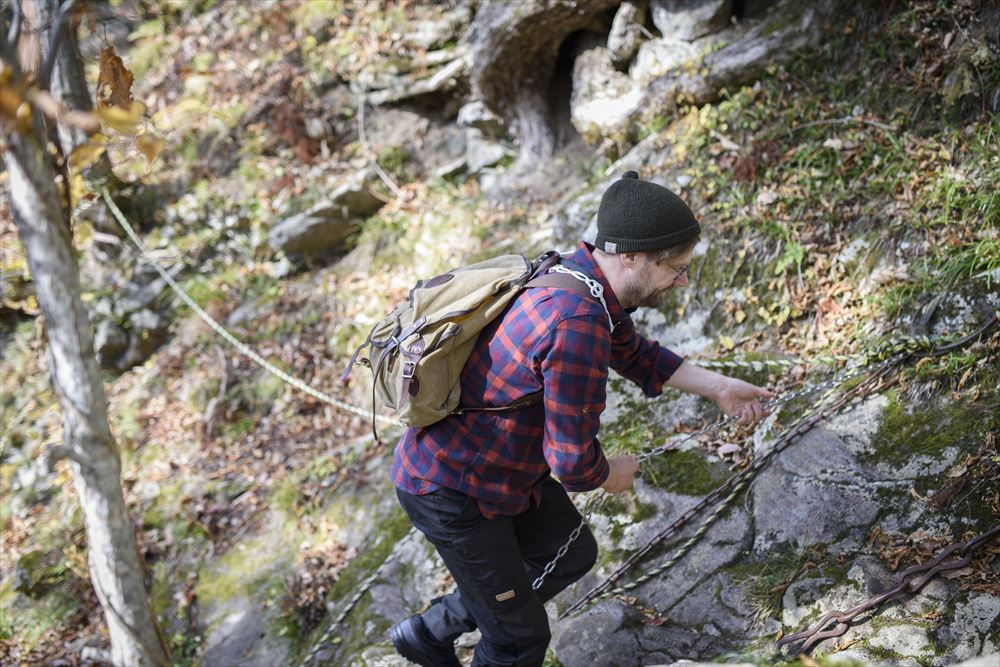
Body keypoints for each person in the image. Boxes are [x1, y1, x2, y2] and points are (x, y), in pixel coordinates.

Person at [388, 171, 773, 666]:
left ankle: (425, 634)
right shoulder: (576, 323)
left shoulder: (577, 278)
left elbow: (637, 355)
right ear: (631, 256)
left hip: (501, 469)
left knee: (567, 554)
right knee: (517, 641)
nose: (681, 280)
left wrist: (720, 387)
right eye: (674, 268)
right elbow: (572, 462)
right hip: (454, 489)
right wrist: (611, 474)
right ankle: (475, 626)